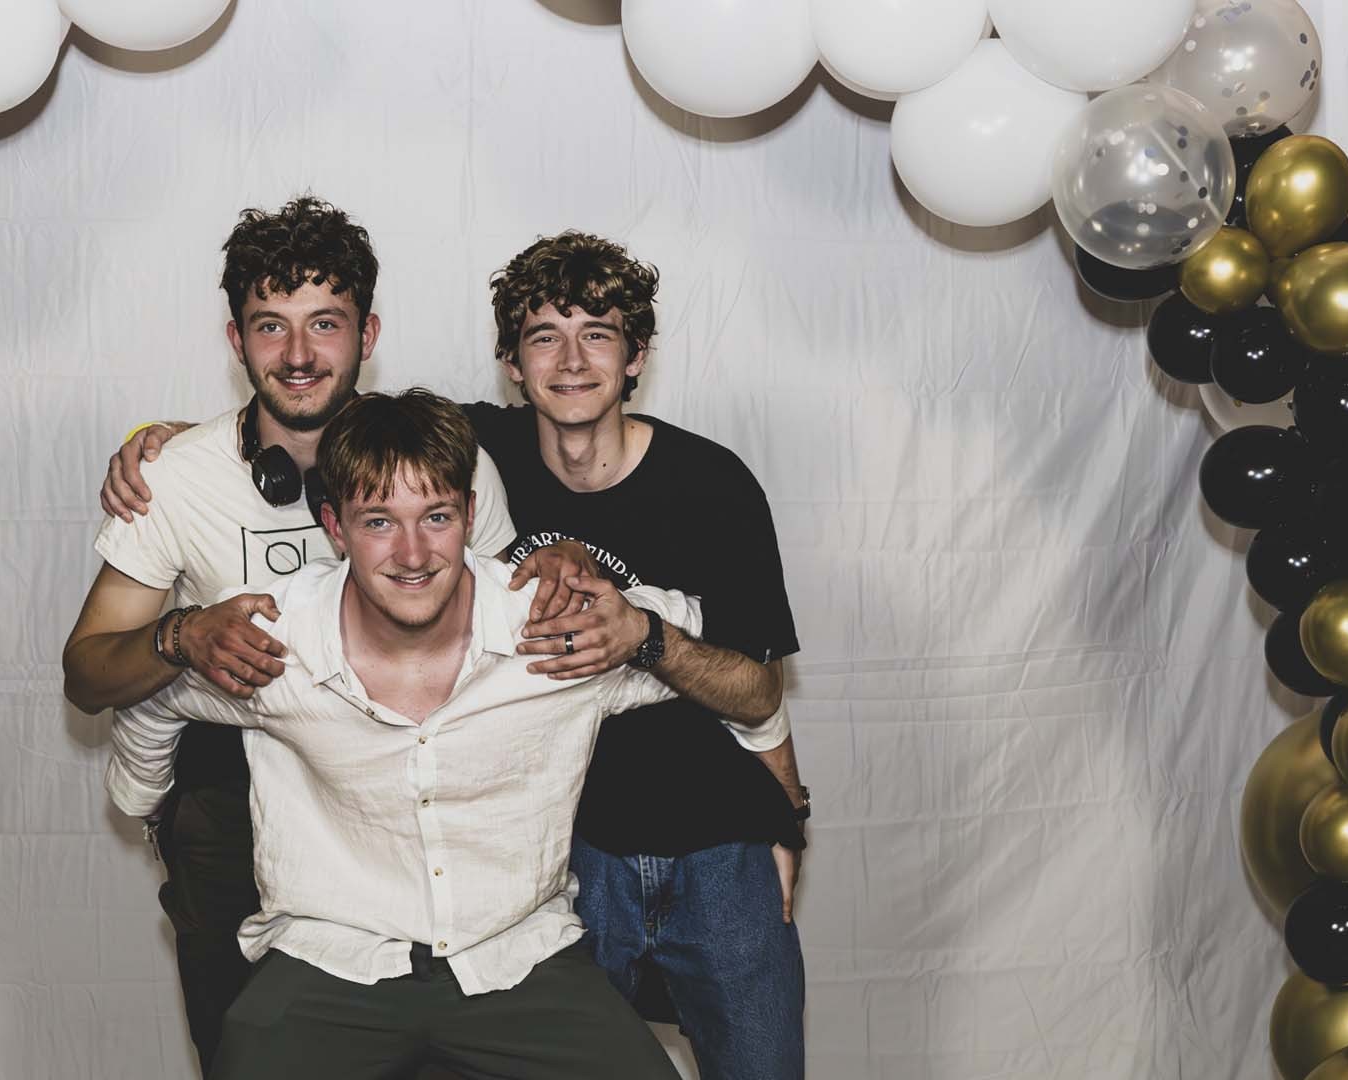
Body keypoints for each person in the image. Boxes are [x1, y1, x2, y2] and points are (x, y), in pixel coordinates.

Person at [61, 196, 592, 1072]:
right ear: (236, 341)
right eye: (271, 326)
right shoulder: (177, 476)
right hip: (233, 804)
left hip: (408, 807)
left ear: (367, 333)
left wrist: (563, 563)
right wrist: (180, 634)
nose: (299, 355)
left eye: (326, 324)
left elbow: (503, 627)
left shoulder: (445, 462)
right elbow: (86, 674)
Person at [106, 391, 697, 1080]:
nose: (413, 554)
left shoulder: (548, 628)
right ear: (335, 526)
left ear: (470, 515)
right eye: (380, 522)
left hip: (517, 957)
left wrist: (644, 632)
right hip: (332, 961)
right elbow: (153, 697)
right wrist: (145, 799)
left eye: (436, 517)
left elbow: (713, 637)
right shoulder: (279, 643)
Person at [473, 231, 807, 1078]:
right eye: (545, 336)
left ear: (636, 358)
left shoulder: (713, 486)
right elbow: (334, 433)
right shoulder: (475, 456)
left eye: (598, 333)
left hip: (719, 844)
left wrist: (645, 638)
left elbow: (758, 687)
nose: (571, 360)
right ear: (512, 362)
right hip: (563, 855)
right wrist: (176, 441)